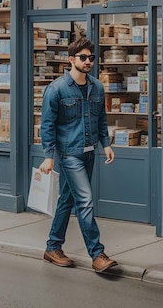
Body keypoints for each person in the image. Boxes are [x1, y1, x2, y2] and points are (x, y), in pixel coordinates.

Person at [39, 36, 117, 273]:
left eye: (91, 58)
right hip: (69, 154)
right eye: (83, 58)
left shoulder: (97, 86)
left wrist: (106, 144)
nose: (88, 61)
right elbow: (47, 125)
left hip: (89, 152)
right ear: (71, 59)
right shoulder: (56, 89)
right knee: (85, 201)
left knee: (67, 200)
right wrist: (48, 155)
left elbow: (101, 119)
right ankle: (97, 254)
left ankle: (53, 247)